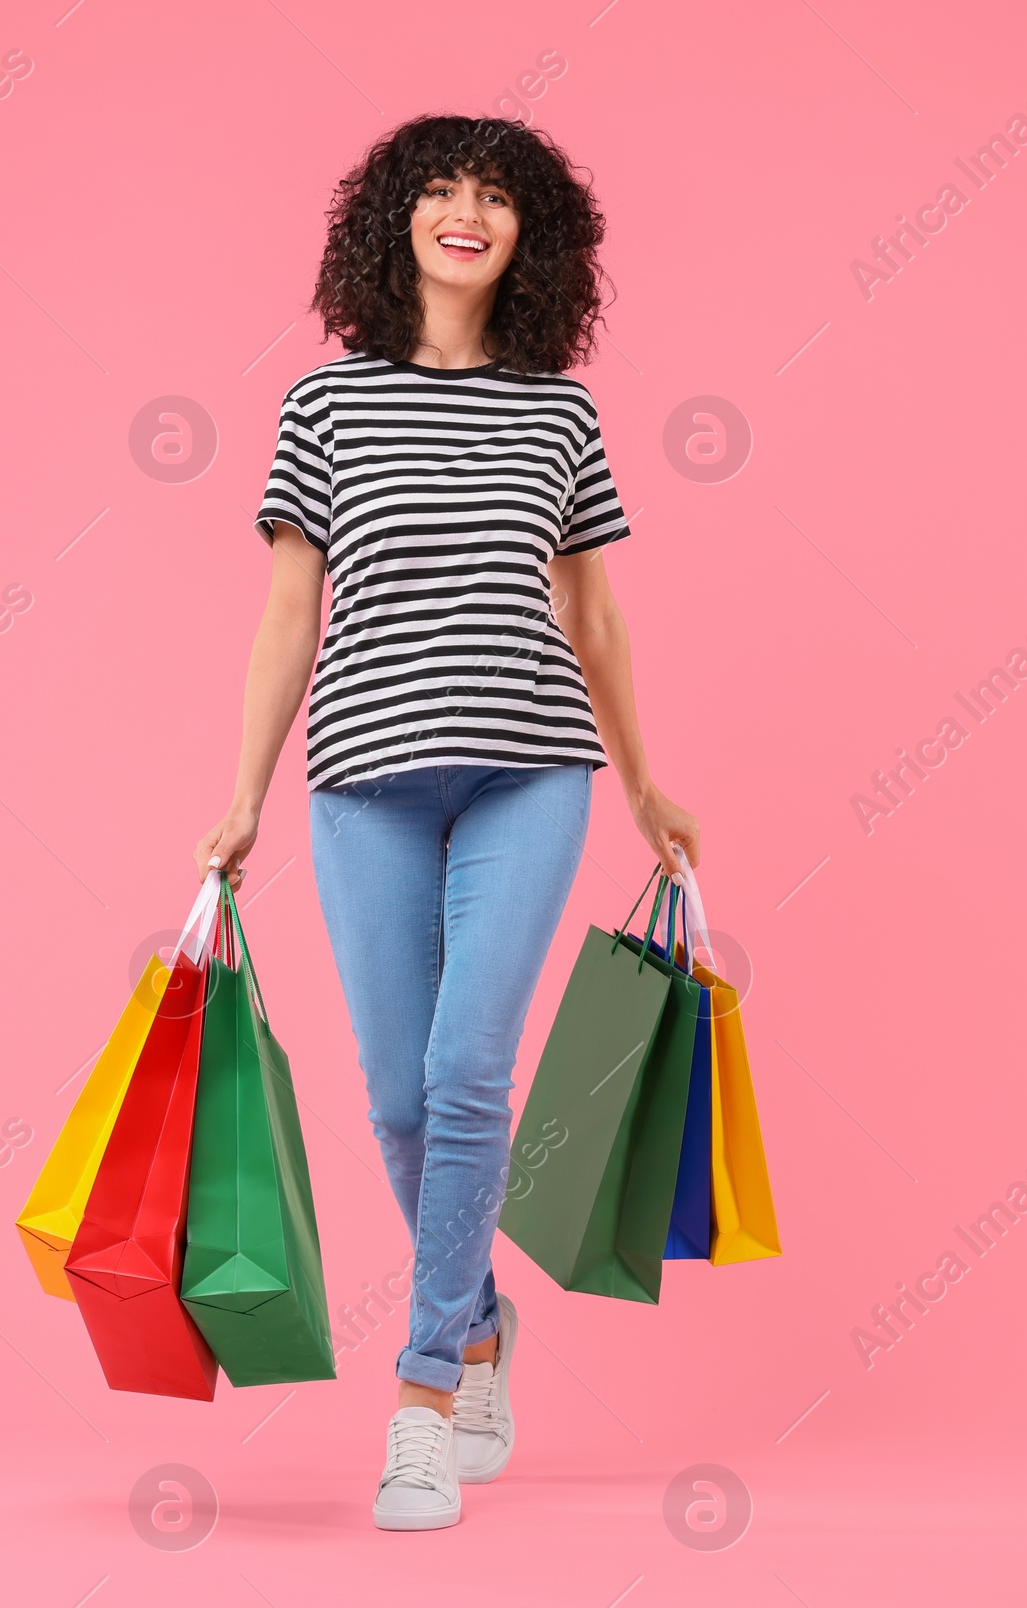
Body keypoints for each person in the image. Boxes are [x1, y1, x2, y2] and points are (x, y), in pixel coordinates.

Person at [194, 114, 698, 1531]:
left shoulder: (562, 414)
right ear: (395, 220)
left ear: (534, 234)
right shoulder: (326, 405)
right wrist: (239, 793)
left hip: (531, 769)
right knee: (398, 1097)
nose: (467, 214)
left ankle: (422, 1398)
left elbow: (593, 613)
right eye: (440, 191)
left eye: (496, 196)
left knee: (472, 1074)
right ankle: (479, 1320)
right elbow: (289, 608)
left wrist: (648, 783)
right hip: (362, 775)